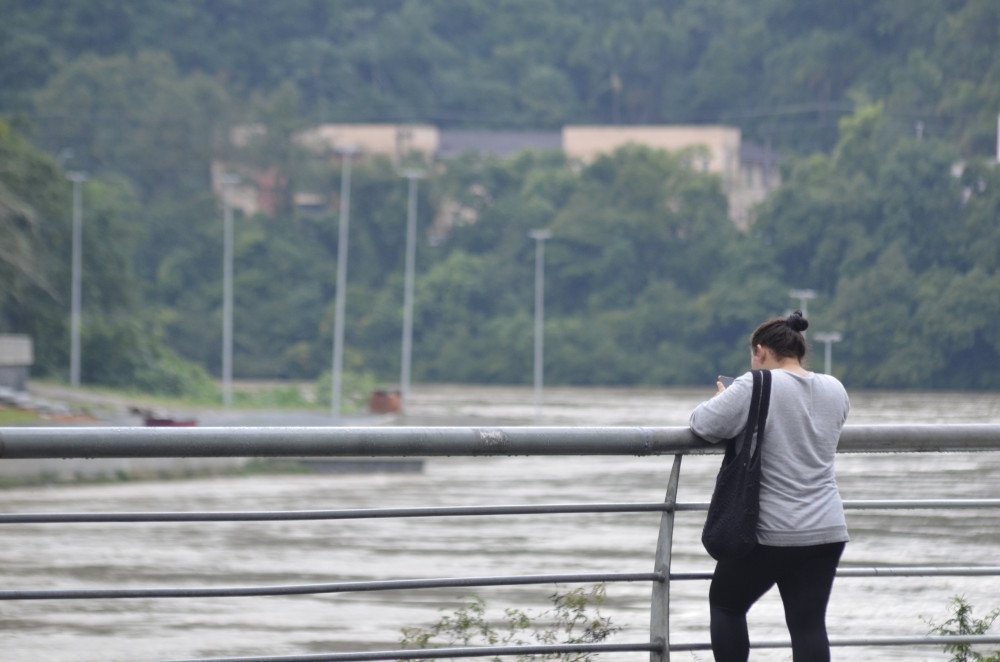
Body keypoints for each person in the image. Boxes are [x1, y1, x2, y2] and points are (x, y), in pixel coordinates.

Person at [688, 310, 850, 662]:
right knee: (808, 626)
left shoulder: (754, 384)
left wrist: (723, 398)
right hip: (826, 529)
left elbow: (702, 423)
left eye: (753, 356)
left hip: (773, 531)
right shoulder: (835, 388)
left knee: (726, 605)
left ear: (760, 351)